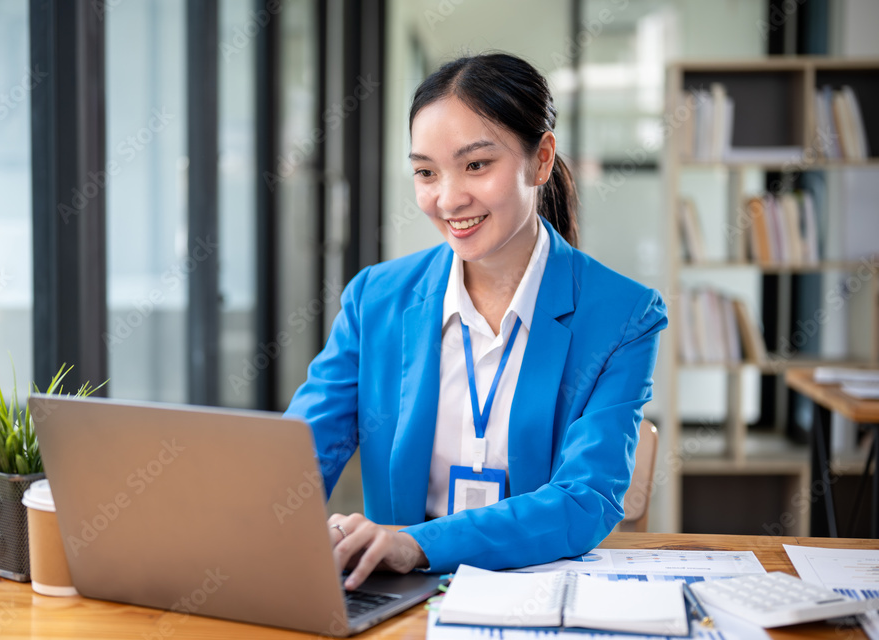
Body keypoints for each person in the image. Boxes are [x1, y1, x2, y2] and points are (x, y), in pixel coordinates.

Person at [284, 52, 667, 590]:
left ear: (541, 160)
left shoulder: (623, 316)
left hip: (537, 596)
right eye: (425, 172)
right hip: (398, 604)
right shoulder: (375, 300)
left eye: (476, 165)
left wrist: (415, 544)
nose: (447, 198)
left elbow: (585, 500)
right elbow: (297, 457)